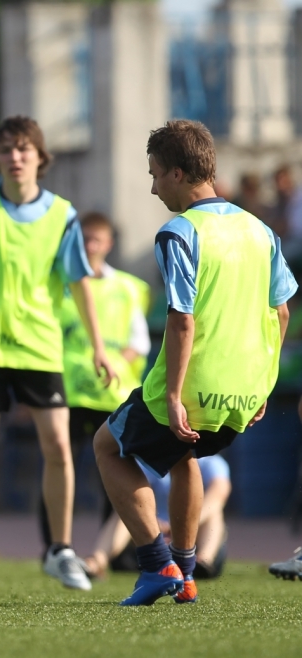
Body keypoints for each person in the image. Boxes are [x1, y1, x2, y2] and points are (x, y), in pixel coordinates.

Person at [93, 119, 296, 606]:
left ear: (179, 174)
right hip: (241, 395)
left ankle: (155, 562)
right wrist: (261, 385)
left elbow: (182, 319)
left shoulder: (179, 232)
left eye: (155, 174)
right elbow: (282, 310)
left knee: (108, 447)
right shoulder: (260, 230)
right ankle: (184, 574)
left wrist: (172, 394)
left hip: (188, 387)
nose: (153, 185)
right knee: (185, 458)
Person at [0, 115, 116, 593]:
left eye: (24, 149)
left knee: (58, 446)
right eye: (7, 150)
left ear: (40, 157)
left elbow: (79, 282)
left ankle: (61, 550)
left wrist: (98, 345)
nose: (15, 157)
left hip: (40, 345)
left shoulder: (63, 214)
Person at [37, 212, 151, 551]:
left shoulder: (129, 288)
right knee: (58, 466)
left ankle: (111, 550)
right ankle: (56, 548)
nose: (89, 246)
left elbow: (139, 342)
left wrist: (114, 362)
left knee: (114, 474)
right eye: (84, 238)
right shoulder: (57, 285)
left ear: (109, 244)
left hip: (110, 395)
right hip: (67, 393)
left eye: (96, 239)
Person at [83, 455, 231, 580]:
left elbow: (219, 493)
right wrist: (152, 524)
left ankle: (202, 562)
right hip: (153, 536)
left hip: (194, 538)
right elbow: (132, 494)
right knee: (124, 511)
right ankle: (96, 562)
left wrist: (182, 526)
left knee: (215, 512)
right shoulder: (150, 462)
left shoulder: (211, 462)